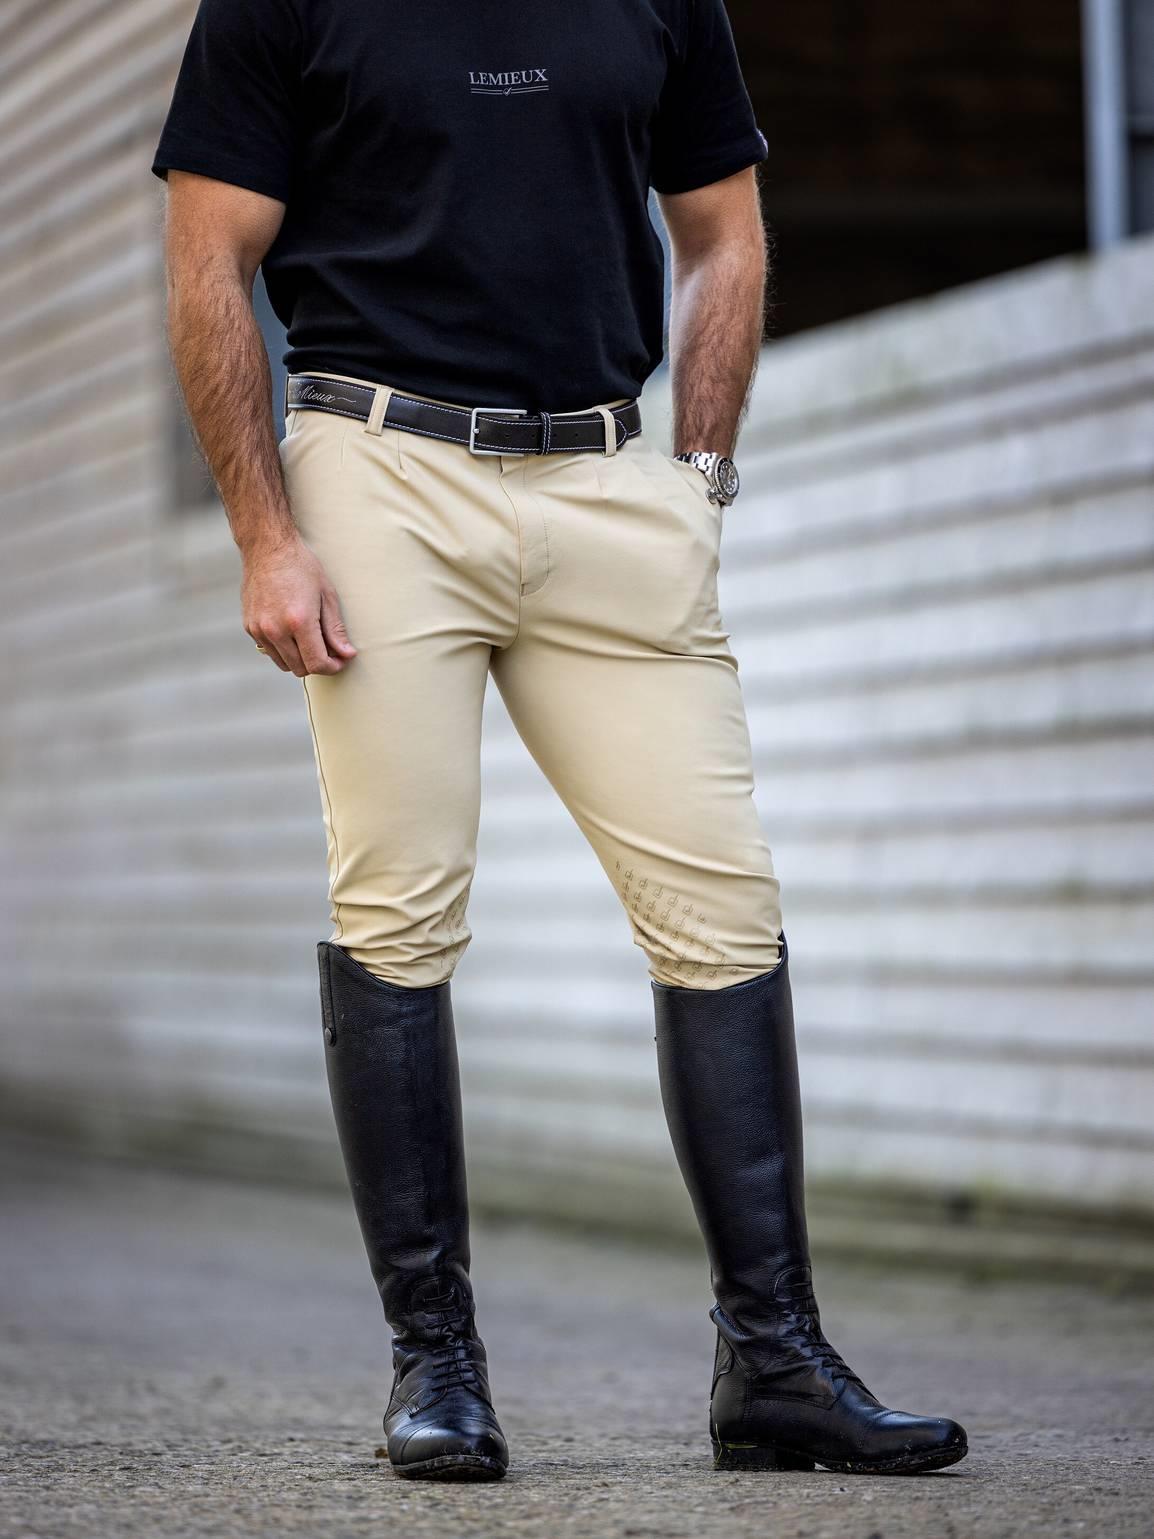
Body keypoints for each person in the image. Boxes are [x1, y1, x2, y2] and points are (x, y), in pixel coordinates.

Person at [152, 0, 967, 1485]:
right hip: (380, 474)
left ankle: (774, 1361)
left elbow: (723, 231)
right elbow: (210, 258)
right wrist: (268, 536)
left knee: (723, 909)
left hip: (606, 481)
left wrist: (698, 477)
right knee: (400, 909)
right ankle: (436, 1364)